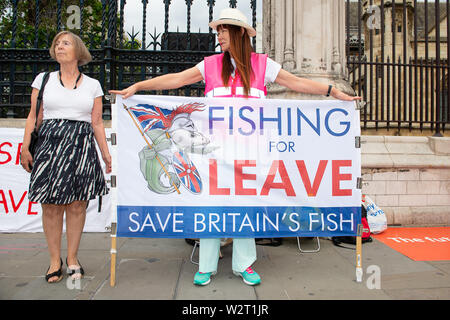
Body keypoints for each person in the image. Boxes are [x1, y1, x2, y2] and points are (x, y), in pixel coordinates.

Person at [110, 8, 361, 286]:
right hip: (215, 154)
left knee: (245, 205)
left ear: (240, 32)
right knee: (210, 206)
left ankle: (244, 265)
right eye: (217, 31)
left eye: (223, 30)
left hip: (249, 153)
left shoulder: (263, 65)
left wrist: (333, 92)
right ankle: (206, 265)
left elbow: (296, 82)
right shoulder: (210, 64)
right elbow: (177, 79)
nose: (218, 35)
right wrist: (137, 87)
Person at [21, 31, 111, 283]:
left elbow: (96, 123)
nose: (60, 46)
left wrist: (106, 155)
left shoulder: (93, 85)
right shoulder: (44, 80)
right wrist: (25, 147)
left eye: (66, 43)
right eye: (57, 44)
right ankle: (54, 260)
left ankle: (72, 258)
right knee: (50, 205)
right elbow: (33, 116)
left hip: (81, 145)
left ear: (78, 51)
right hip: (50, 145)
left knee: (77, 204)